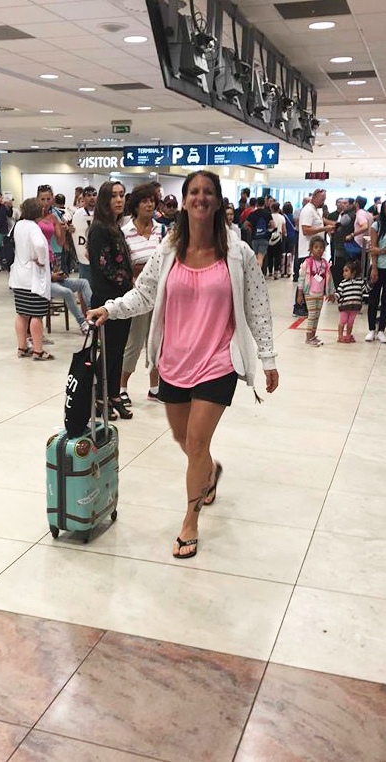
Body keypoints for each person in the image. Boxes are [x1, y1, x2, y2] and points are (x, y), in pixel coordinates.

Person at [87, 170, 278, 560]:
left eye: (208, 192)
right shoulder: (169, 249)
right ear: (184, 200)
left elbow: (258, 306)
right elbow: (144, 294)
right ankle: (209, 473)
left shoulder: (238, 253)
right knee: (184, 441)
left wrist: (268, 357)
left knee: (197, 442)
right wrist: (110, 308)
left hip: (218, 361)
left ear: (218, 200)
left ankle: (190, 521)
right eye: (193, 192)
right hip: (173, 360)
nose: (200, 198)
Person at [87, 180, 134, 421]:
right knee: (108, 351)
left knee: (118, 350)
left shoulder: (115, 227)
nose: (119, 199)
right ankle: (98, 396)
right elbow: (104, 267)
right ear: (105, 201)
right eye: (114, 195)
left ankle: (114, 394)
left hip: (122, 298)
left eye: (122, 195)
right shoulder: (99, 229)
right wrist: (129, 281)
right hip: (106, 298)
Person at [120, 183, 165, 407]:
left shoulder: (162, 230)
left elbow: (167, 260)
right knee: (135, 343)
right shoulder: (125, 232)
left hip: (161, 295)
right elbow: (124, 265)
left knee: (157, 343)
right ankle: (121, 387)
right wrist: (144, 269)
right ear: (136, 205)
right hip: (137, 294)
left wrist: (145, 267)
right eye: (145, 201)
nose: (149, 205)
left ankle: (155, 388)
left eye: (152, 201)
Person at [9, 197, 53, 360]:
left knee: (22, 314)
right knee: (36, 315)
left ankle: (22, 347)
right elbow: (40, 245)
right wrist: (41, 260)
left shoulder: (19, 225)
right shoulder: (34, 228)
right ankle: (38, 350)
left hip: (19, 277)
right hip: (33, 279)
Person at [293, 189, 335, 316]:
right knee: (304, 278)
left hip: (314, 251)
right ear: (315, 197)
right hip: (307, 251)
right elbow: (306, 230)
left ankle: (305, 305)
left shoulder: (315, 210)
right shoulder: (308, 211)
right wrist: (324, 228)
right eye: (322, 199)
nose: (323, 202)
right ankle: (299, 306)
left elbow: (319, 222)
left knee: (311, 280)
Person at [296, 235, 335, 346]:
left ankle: (313, 336)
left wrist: (331, 292)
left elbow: (330, 279)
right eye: (316, 247)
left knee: (317, 316)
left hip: (320, 294)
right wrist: (300, 294)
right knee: (312, 315)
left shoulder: (325, 264)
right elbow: (301, 279)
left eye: (321, 247)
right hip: (310, 293)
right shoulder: (307, 263)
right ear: (311, 249)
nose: (319, 250)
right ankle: (308, 338)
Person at [367, 199, 386, 343]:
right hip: (378, 267)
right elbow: (372, 249)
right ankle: (371, 329)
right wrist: (374, 268)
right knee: (373, 299)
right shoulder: (376, 225)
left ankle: (381, 330)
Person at [336, 260, 368, 343]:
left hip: (355, 307)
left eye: (346, 271)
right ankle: (340, 336)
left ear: (353, 272)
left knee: (350, 322)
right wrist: (334, 297)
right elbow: (339, 293)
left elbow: (365, 290)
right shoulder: (343, 283)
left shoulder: (360, 282)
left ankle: (348, 335)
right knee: (343, 321)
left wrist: (371, 284)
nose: (344, 273)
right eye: (343, 271)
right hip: (344, 307)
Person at [70, 186, 96, 281]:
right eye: (89, 195)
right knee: (85, 283)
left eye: (94, 195)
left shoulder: (101, 212)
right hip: (83, 255)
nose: (92, 198)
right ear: (84, 198)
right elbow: (72, 231)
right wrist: (70, 230)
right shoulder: (78, 214)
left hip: (98, 257)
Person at [244, 197, 274, 271]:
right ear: (264, 203)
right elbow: (273, 225)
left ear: (256, 204)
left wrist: (251, 228)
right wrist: (268, 228)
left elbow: (245, 224)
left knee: (255, 258)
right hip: (264, 238)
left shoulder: (253, 214)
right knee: (260, 258)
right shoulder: (268, 213)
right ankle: (258, 273)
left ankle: (255, 273)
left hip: (254, 238)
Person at [267, 202, 286, 279]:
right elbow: (284, 230)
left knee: (270, 255)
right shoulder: (282, 217)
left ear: (271, 208)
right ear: (278, 209)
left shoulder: (269, 216)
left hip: (269, 237)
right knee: (277, 256)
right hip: (278, 238)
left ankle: (270, 271)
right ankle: (276, 271)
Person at [282, 201, 296, 277]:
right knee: (290, 253)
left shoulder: (283, 217)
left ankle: (282, 269)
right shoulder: (293, 217)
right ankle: (288, 270)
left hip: (284, 236)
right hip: (292, 236)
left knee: (283, 253)